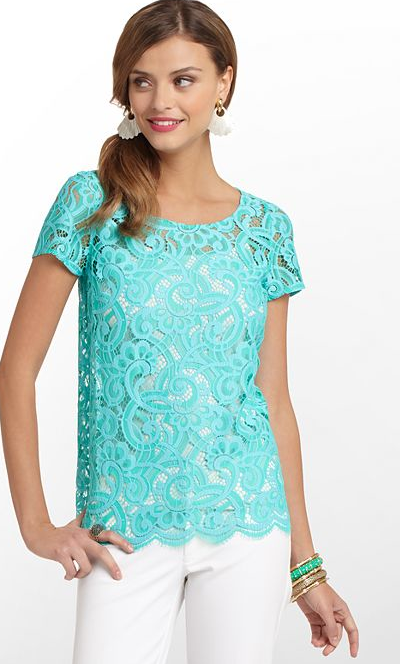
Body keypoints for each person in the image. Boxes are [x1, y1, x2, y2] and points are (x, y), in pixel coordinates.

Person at [0, 1, 359, 662]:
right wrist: (35, 525)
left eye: (183, 80)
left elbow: (273, 401)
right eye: (143, 81)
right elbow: (16, 369)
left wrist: (305, 567)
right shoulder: (91, 203)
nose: (160, 101)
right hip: (124, 531)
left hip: (247, 522)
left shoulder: (265, 229)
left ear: (224, 83)